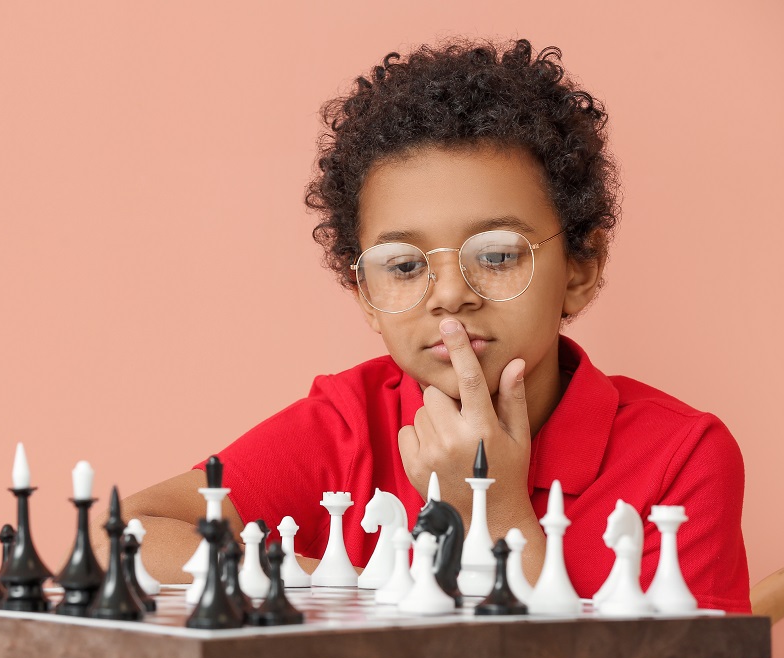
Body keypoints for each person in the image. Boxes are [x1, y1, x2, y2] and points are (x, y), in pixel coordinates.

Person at [115, 38, 751, 612]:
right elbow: (126, 535)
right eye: (403, 265)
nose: (449, 295)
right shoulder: (348, 426)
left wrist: (493, 504)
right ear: (366, 295)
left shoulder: (680, 458)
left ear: (580, 268)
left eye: (497, 255)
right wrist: (377, 585)